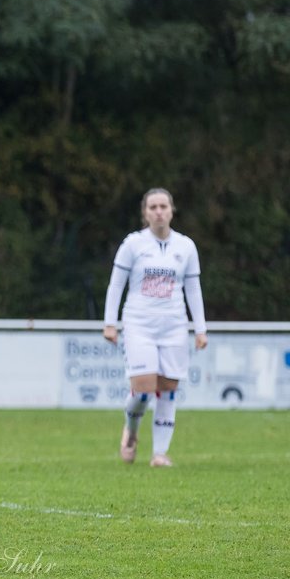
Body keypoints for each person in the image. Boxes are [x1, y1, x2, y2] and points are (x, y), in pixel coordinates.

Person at [102, 188, 207, 467]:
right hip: (139, 324)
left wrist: (200, 328)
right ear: (145, 213)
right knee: (143, 389)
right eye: (153, 207)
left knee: (169, 387)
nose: (159, 211)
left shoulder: (186, 246)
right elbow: (116, 285)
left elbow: (193, 289)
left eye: (163, 206)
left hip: (173, 325)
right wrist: (110, 323)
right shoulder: (133, 244)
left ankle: (159, 453)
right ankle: (132, 432)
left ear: (172, 210)